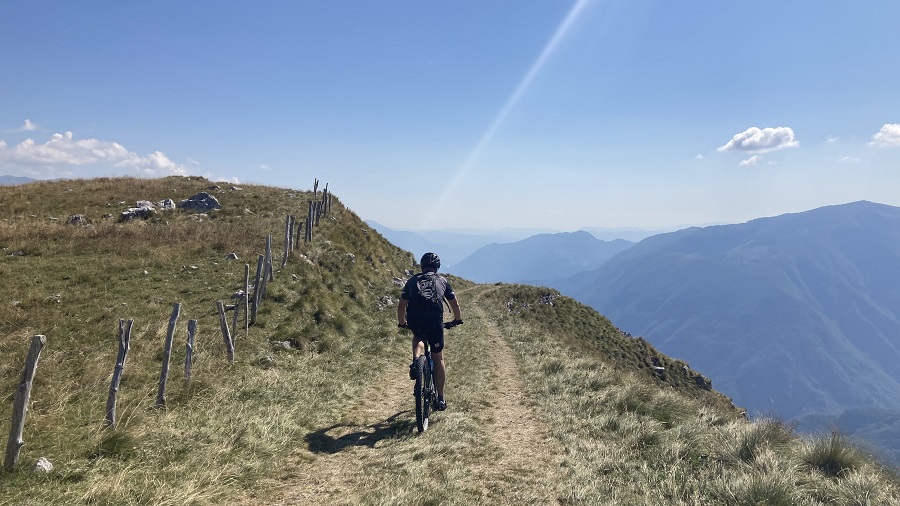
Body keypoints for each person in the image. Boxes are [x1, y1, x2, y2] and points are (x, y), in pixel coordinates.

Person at [397, 252, 462, 411]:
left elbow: (402, 304)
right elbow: (455, 304)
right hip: (434, 320)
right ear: (437, 267)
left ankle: (416, 361)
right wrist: (457, 319)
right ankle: (440, 398)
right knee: (438, 358)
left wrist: (402, 323)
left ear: (422, 266)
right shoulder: (442, 280)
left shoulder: (413, 281)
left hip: (415, 318)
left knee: (418, 336)